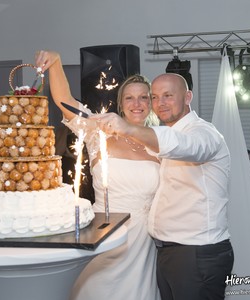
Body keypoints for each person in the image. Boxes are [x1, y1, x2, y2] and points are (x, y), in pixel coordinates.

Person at [94, 73, 234, 300]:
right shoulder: (166, 135)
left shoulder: (204, 133)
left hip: (197, 254)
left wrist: (127, 129)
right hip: (165, 252)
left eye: (168, 96)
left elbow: (189, 146)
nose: (161, 103)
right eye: (156, 97)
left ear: (188, 97)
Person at [35, 50, 160, 300]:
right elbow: (64, 100)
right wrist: (56, 62)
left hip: (145, 241)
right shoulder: (99, 131)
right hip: (106, 234)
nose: (136, 104)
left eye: (143, 98)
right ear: (120, 103)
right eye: (129, 98)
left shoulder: (161, 141)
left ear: (151, 102)